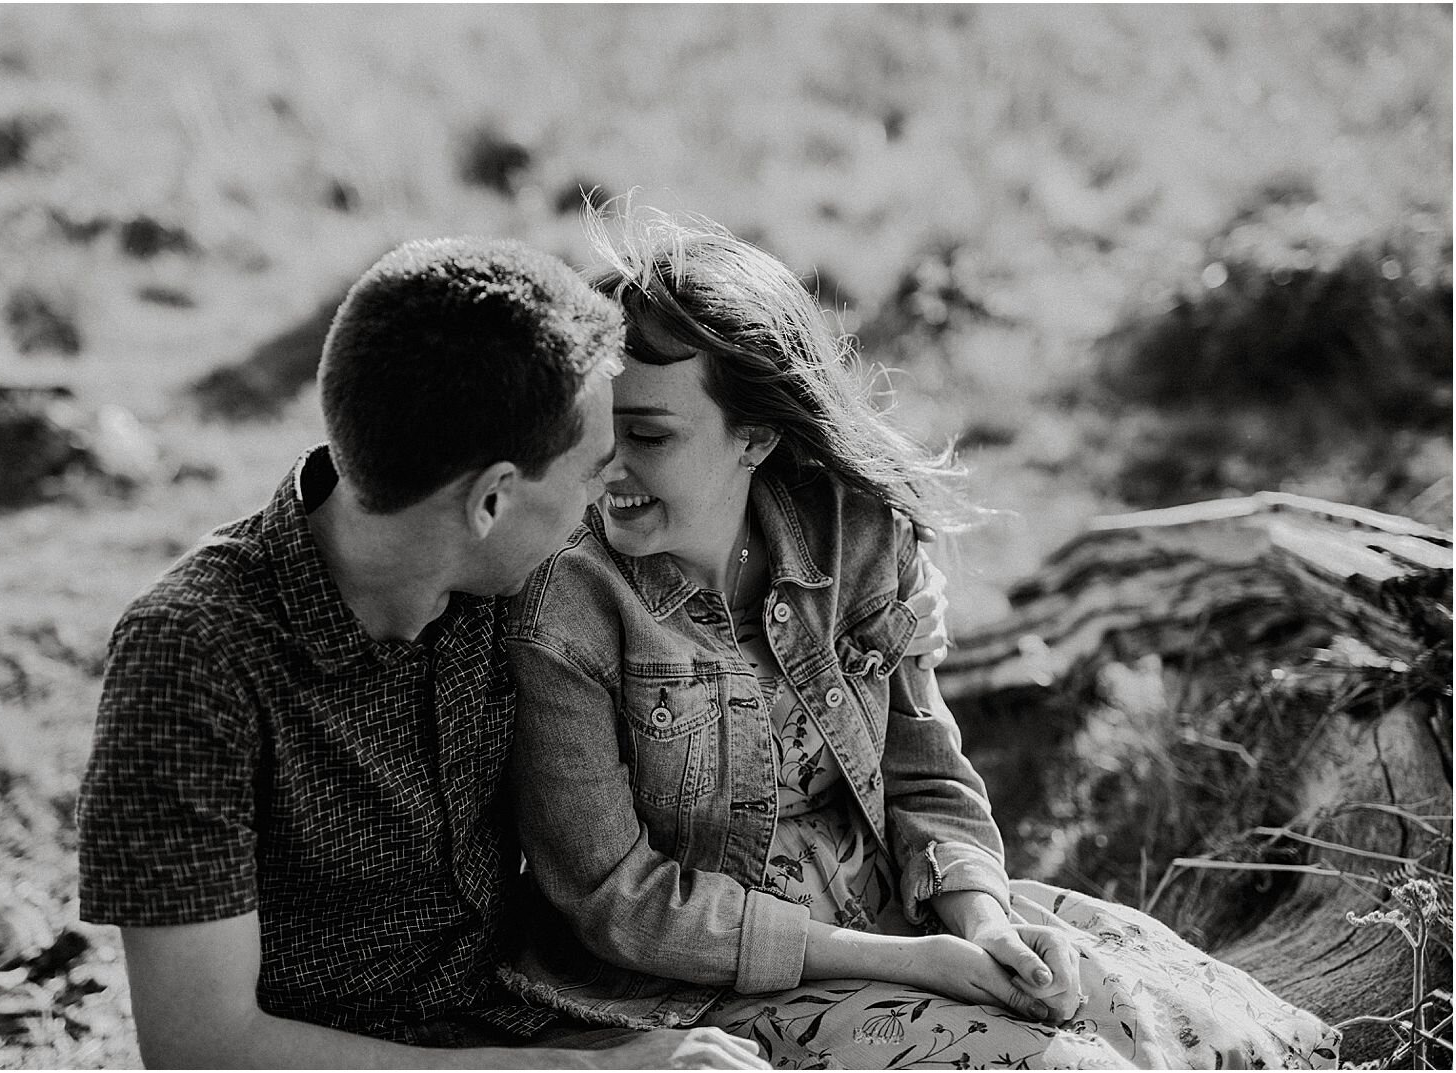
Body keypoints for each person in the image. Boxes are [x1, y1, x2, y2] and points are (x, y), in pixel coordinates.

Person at [501, 205, 1344, 1069]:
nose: (607, 466)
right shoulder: (564, 604)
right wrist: (918, 963)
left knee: (1211, 1034)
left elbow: (928, 777)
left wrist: (984, 920)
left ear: (756, 434)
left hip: (906, 911)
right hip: (717, 990)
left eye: (647, 434)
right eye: (596, 427)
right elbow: (618, 902)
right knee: (1061, 1065)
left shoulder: (856, 530)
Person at [76, 236, 769, 1069]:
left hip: (537, 1016)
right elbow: (202, 1047)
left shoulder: (496, 574)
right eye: (588, 470)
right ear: (491, 501)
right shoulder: (192, 660)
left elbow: (744, 474)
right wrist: (581, 1070)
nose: (607, 488)